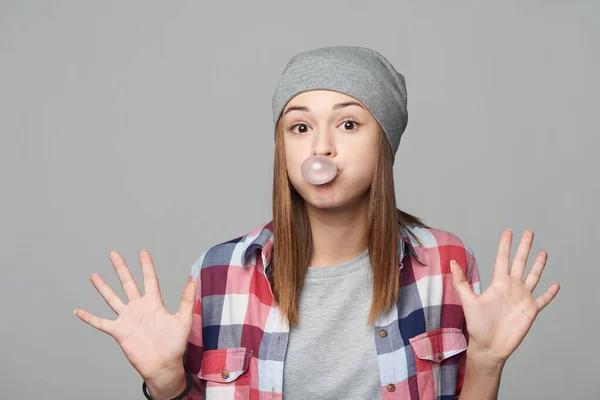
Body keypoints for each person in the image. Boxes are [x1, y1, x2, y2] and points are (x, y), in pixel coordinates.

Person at [74, 46, 560, 400]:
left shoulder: (446, 265)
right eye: (300, 127)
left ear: (384, 144)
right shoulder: (218, 274)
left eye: (348, 124)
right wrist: (166, 386)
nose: (320, 149)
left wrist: (486, 363)